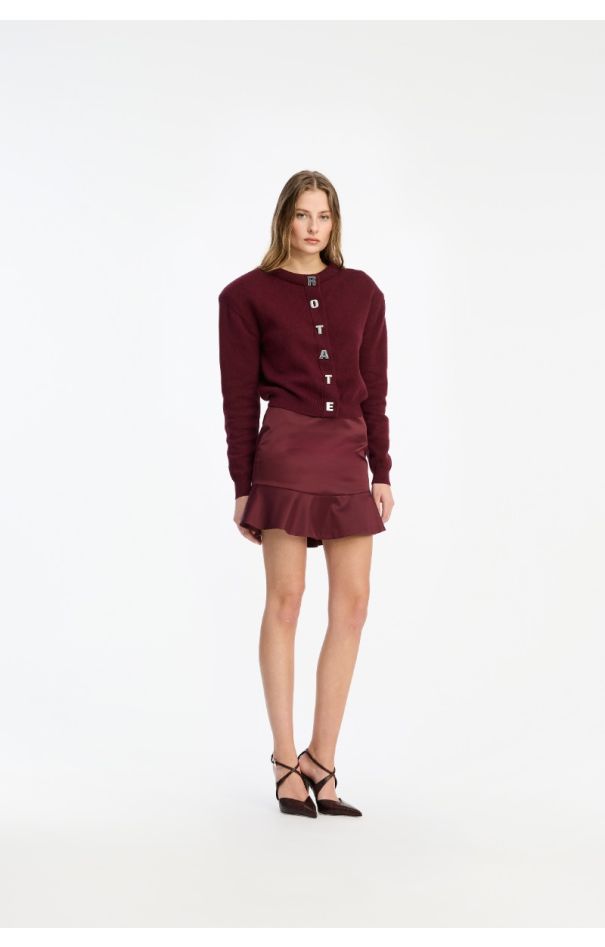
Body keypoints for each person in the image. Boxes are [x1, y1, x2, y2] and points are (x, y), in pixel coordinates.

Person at [218, 170, 395, 817]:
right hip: (286, 452)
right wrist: (243, 485)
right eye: (302, 215)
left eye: (323, 215)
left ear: (334, 223)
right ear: (284, 220)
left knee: (353, 606)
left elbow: (375, 387)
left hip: (347, 453)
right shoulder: (245, 295)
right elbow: (238, 397)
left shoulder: (363, 291)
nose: (313, 227)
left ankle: (322, 759)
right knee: (286, 601)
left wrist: (381, 469)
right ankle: (283, 759)